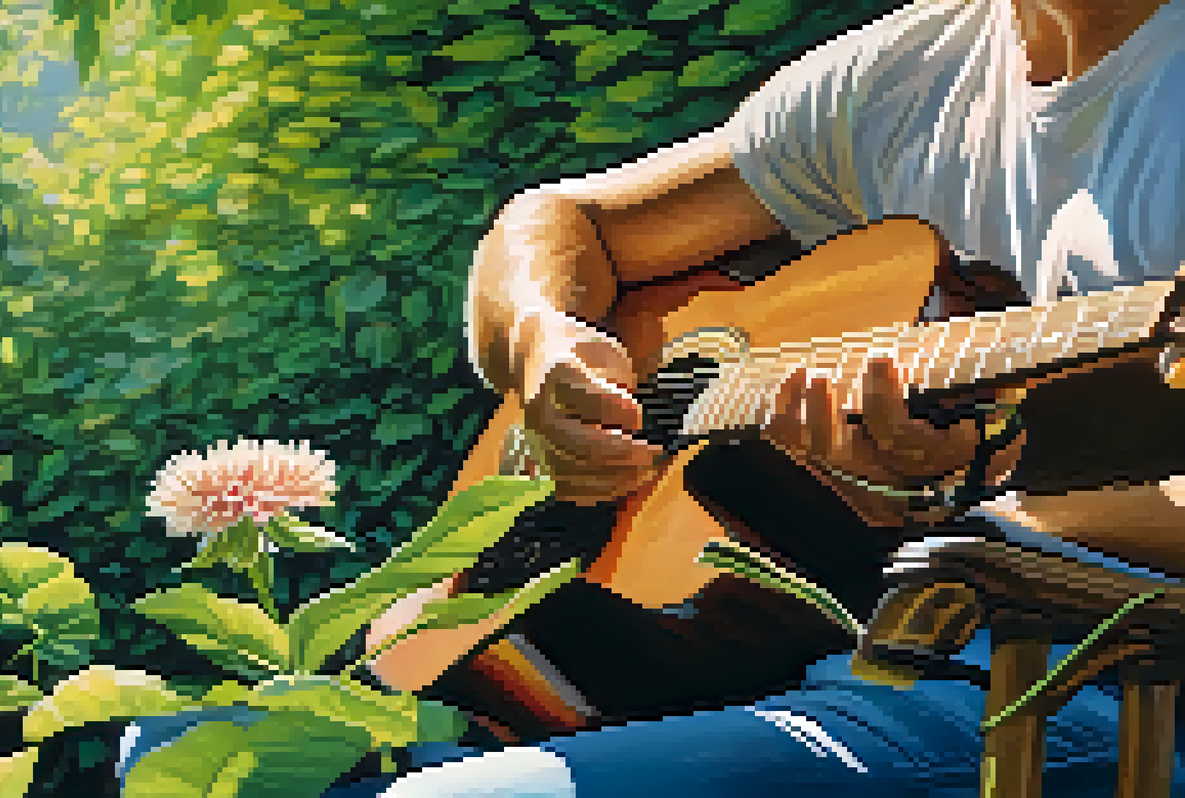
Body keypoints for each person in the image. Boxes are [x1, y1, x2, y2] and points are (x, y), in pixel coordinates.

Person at [350, 0, 1185, 795]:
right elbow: (567, 222)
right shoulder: (911, 71)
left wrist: (958, 510)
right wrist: (542, 342)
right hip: (831, 658)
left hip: (1082, 681)